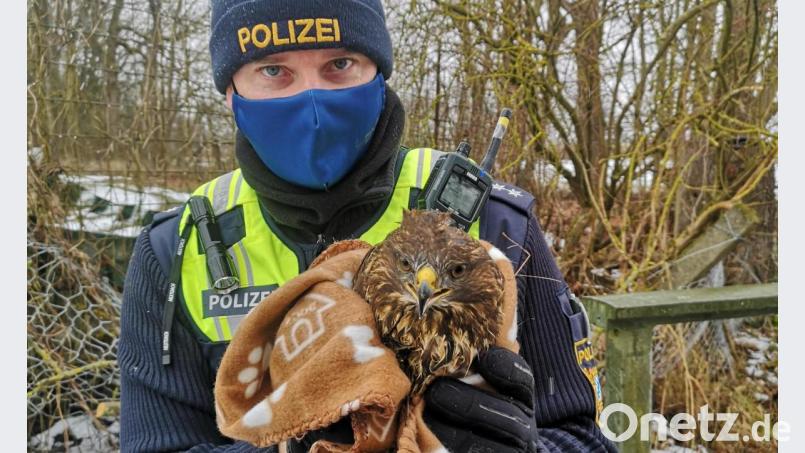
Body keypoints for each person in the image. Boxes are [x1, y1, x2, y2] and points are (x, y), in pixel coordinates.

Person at [117, 1, 617, 452]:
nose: (312, 101)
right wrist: (293, 444)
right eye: (273, 70)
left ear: (379, 73)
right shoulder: (178, 250)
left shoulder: (496, 222)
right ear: (230, 92)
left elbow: (585, 437)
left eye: (339, 64)